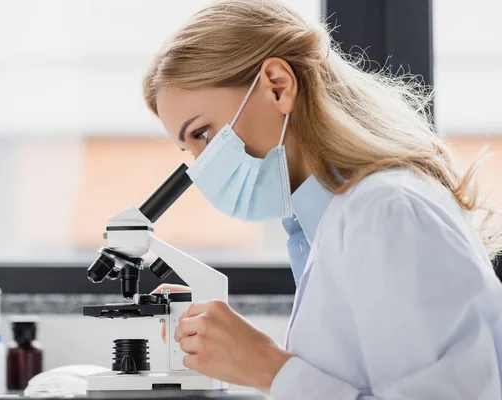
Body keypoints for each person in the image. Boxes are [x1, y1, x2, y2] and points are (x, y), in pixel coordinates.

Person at [144, 0, 502, 398]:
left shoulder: (388, 211)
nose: (202, 167)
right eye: (190, 151)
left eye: (204, 135)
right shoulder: (323, 227)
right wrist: (241, 354)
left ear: (278, 86)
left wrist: (267, 366)